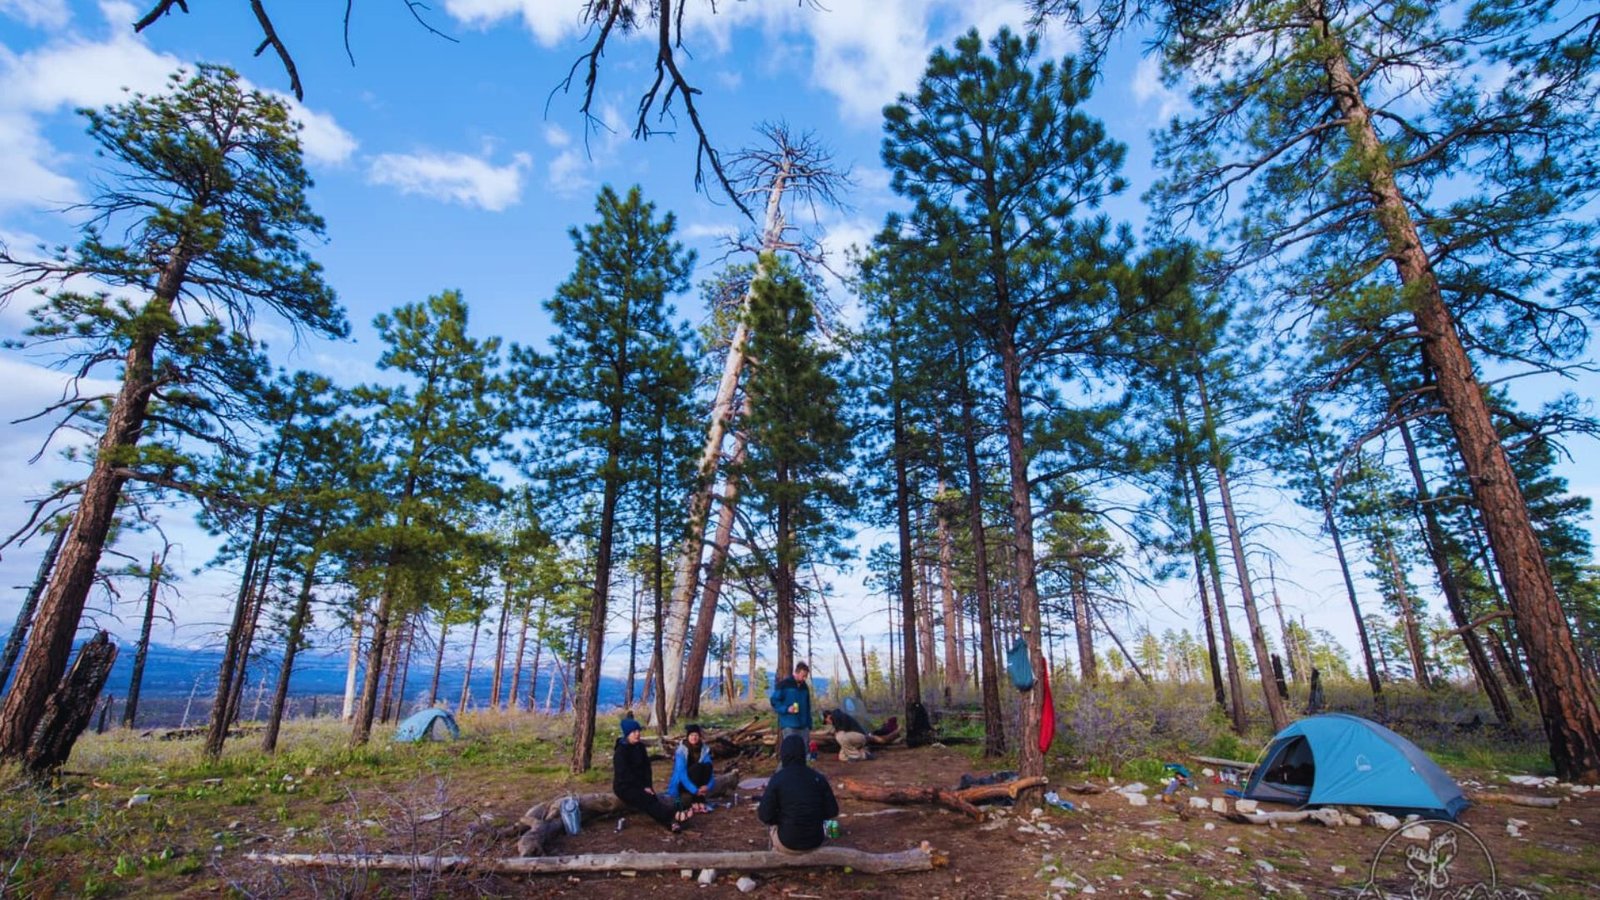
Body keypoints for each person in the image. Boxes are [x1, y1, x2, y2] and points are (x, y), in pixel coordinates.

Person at [757, 734, 839, 853]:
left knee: (772, 828)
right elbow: (832, 811)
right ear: (804, 753)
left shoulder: (778, 779)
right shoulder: (817, 777)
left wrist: (782, 818)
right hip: (815, 841)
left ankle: (777, 852)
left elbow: (764, 815)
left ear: (783, 753)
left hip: (788, 843)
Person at [612, 716, 691, 832]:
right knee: (647, 799)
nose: (637, 734)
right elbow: (624, 774)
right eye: (634, 732)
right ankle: (672, 818)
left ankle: (672, 822)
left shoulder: (640, 747)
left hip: (642, 784)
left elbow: (646, 768)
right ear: (627, 734)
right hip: (625, 786)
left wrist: (648, 785)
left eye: (638, 731)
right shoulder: (621, 752)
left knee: (653, 798)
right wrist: (642, 787)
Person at [667, 723, 715, 813]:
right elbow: (681, 774)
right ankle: (696, 800)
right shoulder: (681, 751)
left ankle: (699, 799)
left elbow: (710, 771)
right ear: (688, 736)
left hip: (697, 783)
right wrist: (695, 790)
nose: (694, 737)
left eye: (696, 735)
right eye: (691, 735)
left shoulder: (704, 749)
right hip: (682, 784)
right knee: (697, 767)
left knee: (706, 766)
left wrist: (708, 786)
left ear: (699, 736)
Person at [768, 661, 813, 753]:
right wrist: (786, 709)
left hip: (803, 725)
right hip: (789, 724)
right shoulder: (784, 684)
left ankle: (802, 767)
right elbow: (774, 701)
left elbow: (808, 706)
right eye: (803, 675)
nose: (804, 678)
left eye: (806, 676)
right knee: (791, 751)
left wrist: (809, 724)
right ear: (796, 672)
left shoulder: (805, 687)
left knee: (804, 751)